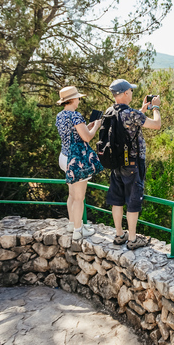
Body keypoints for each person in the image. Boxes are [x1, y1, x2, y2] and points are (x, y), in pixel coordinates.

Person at [105, 79, 161, 250]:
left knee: (117, 201)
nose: (132, 93)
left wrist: (142, 110)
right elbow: (156, 125)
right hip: (132, 164)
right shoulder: (131, 114)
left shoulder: (109, 111)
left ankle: (119, 235)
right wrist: (155, 108)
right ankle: (132, 239)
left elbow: (126, 122)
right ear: (125, 93)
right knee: (133, 201)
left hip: (116, 164)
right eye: (130, 90)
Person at [56, 86, 100, 241]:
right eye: (78, 98)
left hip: (64, 157)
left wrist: (87, 128)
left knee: (72, 194)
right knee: (79, 197)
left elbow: (76, 134)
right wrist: (95, 127)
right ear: (73, 99)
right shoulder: (76, 116)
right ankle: (78, 230)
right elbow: (87, 137)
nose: (79, 100)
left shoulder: (60, 116)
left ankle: (72, 223)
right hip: (76, 160)